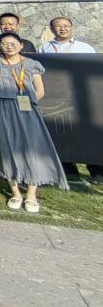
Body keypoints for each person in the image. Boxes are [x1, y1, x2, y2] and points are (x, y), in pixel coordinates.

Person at [0, 33, 68, 213]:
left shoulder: (32, 64)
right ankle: (16, 193)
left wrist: (27, 104)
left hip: (27, 109)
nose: (9, 46)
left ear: (21, 46)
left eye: (13, 43)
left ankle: (31, 194)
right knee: (7, 148)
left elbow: (40, 90)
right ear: (0, 46)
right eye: (5, 43)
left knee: (32, 148)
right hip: (1, 109)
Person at [37, 17, 100, 183]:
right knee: (61, 130)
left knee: (88, 132)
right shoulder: (44, 48)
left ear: (72, 28)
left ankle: (96, 170)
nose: (62, 29)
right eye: (58, 26)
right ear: (52, 29)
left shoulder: (85, 48)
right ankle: (68, 168)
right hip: (56, 96)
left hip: (81, 94)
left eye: (66, 26)